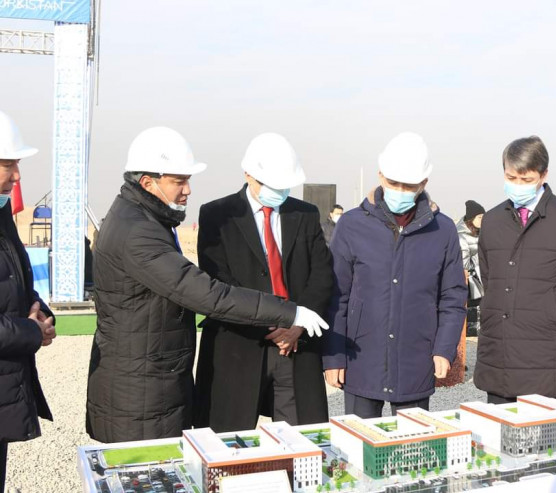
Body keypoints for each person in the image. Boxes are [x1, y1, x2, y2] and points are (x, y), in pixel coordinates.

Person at [86, 127, 328, 443]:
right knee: (173, 460)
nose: (188, 190)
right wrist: (289, 313)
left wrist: (296, 323)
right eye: (179, 181)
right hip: (145, 384)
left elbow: (322, 273)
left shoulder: (146, 219)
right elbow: (209, 293)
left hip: (151, 376)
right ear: (148, 182)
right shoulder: (140, 232)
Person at [194, 133, 334, 431]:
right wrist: (272, 323)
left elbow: (321, 274)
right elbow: (219, 281)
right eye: (271, 185)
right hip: (240, 344)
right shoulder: (217, 215)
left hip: (295, 345)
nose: (278, 192)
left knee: (300, 439)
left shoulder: (305, 214)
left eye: (284, 186)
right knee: (230, 441)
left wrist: (296, 324)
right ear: (248, 174)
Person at [323, 132, 467, 418]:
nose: (400, 190)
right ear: (380, 175)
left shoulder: (443, 230)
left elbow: (452, 296)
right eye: (392, 182)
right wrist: (334, 355)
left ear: (424, 183)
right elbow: (336, 296)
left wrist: (444, 348)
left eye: (409, 185)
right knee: (358, 441)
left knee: (412, 443)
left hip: (416, 360)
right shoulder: (352, 225)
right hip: (360, 357)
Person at [474, 136, 556, 403]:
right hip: (499, 355)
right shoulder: (492, 221)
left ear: (544, 175)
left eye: (526, 179)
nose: (518, 185)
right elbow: (490, 279)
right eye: (511, 178)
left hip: (549, 357)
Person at [0, 111, 56, 490]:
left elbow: (18, 281)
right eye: (9, 164)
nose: (17, 175)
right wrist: (31, 332)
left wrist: (42, 314)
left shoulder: (2, 213)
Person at [456, 200, 485, 336]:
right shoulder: (461, 237)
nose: (482, 220)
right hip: (470, 282)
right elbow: (463, 264)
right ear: (471, 218)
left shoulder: (482, 233)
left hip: (482, 278)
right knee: (472, 310)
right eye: (479, 217)